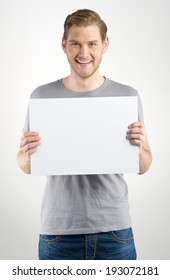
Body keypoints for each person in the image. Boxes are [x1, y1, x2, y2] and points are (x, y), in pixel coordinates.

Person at [17, 9, 152, 260]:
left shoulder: (127, 96)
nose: (84, 53)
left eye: (92, 44)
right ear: (64, 45)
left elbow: (144, 165)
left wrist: (140, 145)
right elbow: (25, 165)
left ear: (105, 45)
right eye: (76, 44)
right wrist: (27, 152)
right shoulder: (41, 96)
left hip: (115, 231)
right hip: (58, 232)